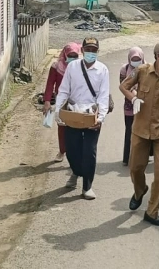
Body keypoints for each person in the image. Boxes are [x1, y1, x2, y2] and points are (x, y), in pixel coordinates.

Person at [120, 41, 159, 226]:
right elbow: (124, 86)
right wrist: (133, 98)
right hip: (140, 129)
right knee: (135, 168)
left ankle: (152, 211)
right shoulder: (141, 71)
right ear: (158, 55)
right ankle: (139, 190)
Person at [54, 37, 110, 200]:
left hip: (92, 114)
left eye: (94, 50)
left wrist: (100, 118)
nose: (91, 53)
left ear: (97, 52)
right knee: (72, 150)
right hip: (73, 113)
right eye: (88, 50)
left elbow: (104, 95)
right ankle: (76, 171)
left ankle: (87, 186)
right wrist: (59, 110)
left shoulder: (103, 70)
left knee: (89, 152)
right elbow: (64, 90)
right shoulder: (72, 67)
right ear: (83, 50)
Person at [44, 43, 81, 162]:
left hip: (77, 101)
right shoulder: (56, 67)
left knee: (77, 126)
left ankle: (76, 152)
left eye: (75, 55)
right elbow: (50, 84)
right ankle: (62, 151)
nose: (72, 58)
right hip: (62, 101)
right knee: (62, 127)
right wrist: (47, 101)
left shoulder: (80, 67)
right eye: (70, 55)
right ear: (65, 54)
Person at [119, 47, 145, 166]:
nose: (136, 61)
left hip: (144, 105)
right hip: (129, 106)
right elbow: (123, 85)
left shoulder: (147, 69)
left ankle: (141, 158)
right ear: (129, 59)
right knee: (129, 131)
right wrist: (133, 95)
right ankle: (127, 158)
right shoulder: (124, 69)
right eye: (133, 59)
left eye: (138, 59)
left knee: (143, 132)